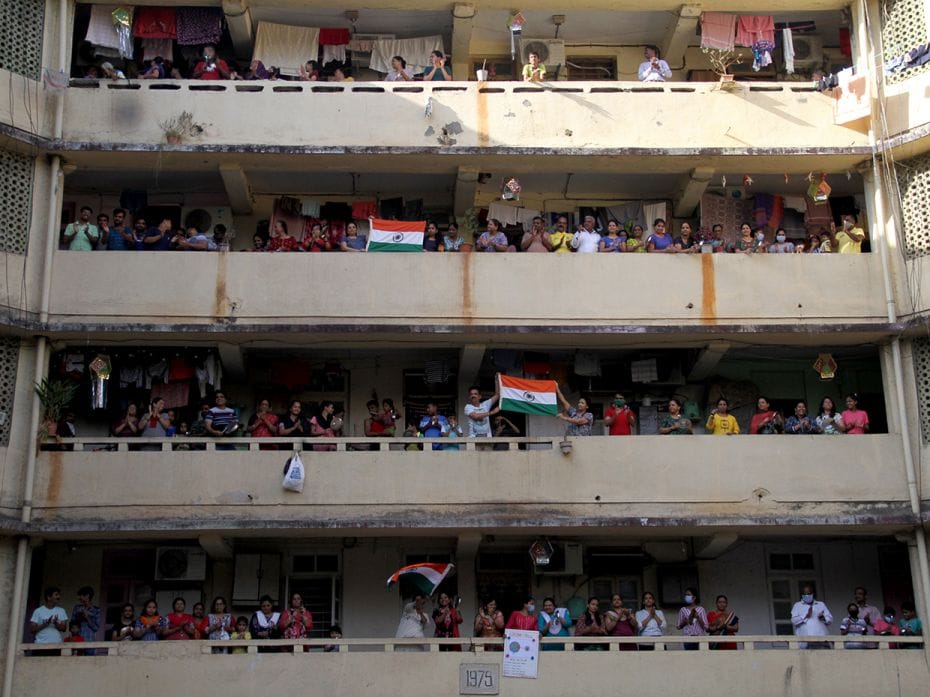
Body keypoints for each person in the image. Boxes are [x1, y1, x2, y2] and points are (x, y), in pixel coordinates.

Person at [791, 584, 833, 648]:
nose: (807, 595)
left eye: (808, 593)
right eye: (804, 594)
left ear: (813, 593)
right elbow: (794, 621)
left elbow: (830, 619)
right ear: (801, 595)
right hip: (806, 640)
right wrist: (805, 616)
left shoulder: (820, 604)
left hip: (822, 639)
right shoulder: (797, 605)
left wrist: (823, 618)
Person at [30, 587, 69, 653]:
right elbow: (32, 629)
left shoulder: (61, 611)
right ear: (48, 597)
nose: (59, 596)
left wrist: (56, 623)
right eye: (56, 595)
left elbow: (64, 628)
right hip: (40, 645)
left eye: (59, 595)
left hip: (56, 645)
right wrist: (46, 624)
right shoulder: (38, 611)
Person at [70, 586, 101, 650]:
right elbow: (72, 624)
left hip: (89, 640)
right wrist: (80, 615)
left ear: (87, 595)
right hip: (76, 640)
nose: (79, 598)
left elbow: (96, 628)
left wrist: (87, 617)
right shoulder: (77, 608)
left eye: (80, 595)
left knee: (89, 659)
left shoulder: (96, 610)